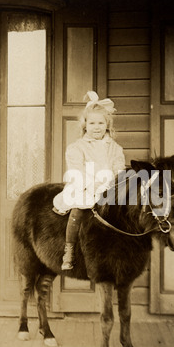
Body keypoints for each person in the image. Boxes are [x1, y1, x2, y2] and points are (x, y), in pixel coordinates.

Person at [53, 91, 126, 270]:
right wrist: (93, 185)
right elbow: (76, 171)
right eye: (92, 123)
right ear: (85, 125)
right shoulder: (77, 147)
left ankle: (119, 250)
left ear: (107, 125)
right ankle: (69, 250)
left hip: (109, 187)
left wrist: (112, 183)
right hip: (85, 185)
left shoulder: (115, 148)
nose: (96, 127)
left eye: (101, 123)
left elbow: (119, 169)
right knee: (79, 207)